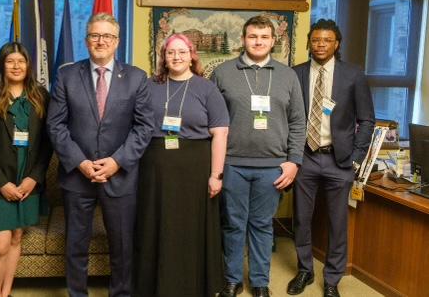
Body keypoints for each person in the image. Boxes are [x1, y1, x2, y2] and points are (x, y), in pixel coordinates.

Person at [47, 13, 154, 297]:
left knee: (121, 246)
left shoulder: (136, 77)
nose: (101, 41)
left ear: (117, 41)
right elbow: (55, 125)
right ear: (86, 40)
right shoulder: (67, 75)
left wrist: (117, 161)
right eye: (95, 35)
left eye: (107, 36)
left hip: (120, 176)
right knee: (76, 245)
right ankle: (77, 294)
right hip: (77, 176)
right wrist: (79, 162)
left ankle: (120, 294)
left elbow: (144, 127)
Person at [211, 15, 306, 297]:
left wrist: (294, 161)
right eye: (252, 36)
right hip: (233, 164)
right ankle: (231, 279)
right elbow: (213, 121)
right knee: (233, 224)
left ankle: (260, 281)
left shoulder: (288, 75)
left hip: (273, 166)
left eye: (264, 37)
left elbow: (298, 122)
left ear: (273, 41)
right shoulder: (223, 72)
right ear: (243, 39)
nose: (258, 42)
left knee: (263, 225)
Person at [133, 34, 229, 297]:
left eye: (182, 52)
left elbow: (220, 133)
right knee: (155, 225)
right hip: (154, 168)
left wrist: (216, 175)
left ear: (192, 55)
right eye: (170, 53)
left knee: (190, 228)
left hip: (195, 170)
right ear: (163, 57)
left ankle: (191, 287)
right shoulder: (149, 86)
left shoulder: (206, 89)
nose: (176, 57)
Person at [288, 19, 375, 297]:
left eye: (327, 40)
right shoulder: (296, 74)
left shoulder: (353, 75)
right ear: (309, 43)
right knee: (301, 218)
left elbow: (367, 120)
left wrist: (356, 157)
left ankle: (332, 279)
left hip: (340, 160)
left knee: (338, 222)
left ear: (337, 44)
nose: (321, 44)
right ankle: (304, 270)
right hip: (305, 157)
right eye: (315, 40)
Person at [0, 42, 52, 297]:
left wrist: (34, 178)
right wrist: (1, 183)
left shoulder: (41, 96)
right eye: (10, 61)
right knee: (0, 245)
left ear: (28, 65)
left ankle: (6, 292)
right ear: (1, 65)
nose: (16, 66)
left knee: (16, 238)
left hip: (27, 182)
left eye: (21, 61)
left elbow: (47, 144)